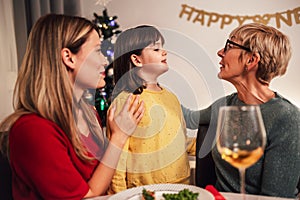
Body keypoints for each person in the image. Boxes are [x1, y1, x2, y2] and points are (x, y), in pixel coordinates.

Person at [0, 13, 144, 199]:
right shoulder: (33, 129)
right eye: (97, 51)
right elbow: (85, 195)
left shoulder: (89, 113)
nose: (104, 61)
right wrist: (118, 137)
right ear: (69, 57)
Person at [182, 23, 300, 198]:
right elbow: (189, 118)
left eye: (229, 46)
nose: (220, 52)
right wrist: (149, 83)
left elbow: (274, 197)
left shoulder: (287, 118)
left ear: (251, 60)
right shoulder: (226, 104)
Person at [106, 25, 196, 193]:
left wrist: (216, 143)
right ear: (137, 60)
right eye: (156, 48)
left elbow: (178, 140)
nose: (164, 52)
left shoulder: (171, 97)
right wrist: (119, 196)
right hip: (144, 192)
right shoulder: (126, 102)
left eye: (162, 47)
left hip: (182, 189)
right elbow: (117, 160)